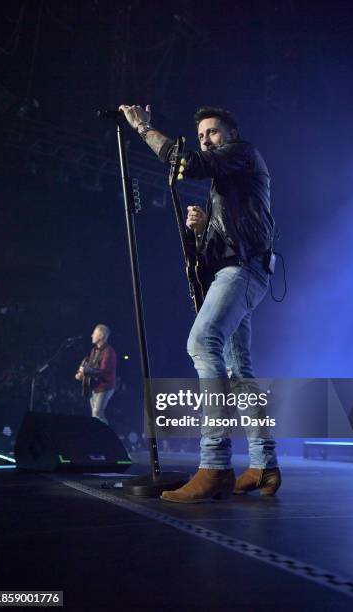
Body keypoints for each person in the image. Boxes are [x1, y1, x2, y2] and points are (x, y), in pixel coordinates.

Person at [119, 103, 281, 502]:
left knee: (201, 342)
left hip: (242, 271)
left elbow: (187, 163)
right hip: (238, 270)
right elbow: (206, 261)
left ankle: (214, 465)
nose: (206, 140)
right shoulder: (225, 188)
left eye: (213, 132)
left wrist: (143, 128)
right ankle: (264, 467)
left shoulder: (244, 154)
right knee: (240, 369)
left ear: (231, 133)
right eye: (202, 135)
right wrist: (202, 229)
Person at [75, 324, 116, 425]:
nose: (91, 335)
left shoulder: (109, 352)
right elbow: (90, 366)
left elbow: (102, 372)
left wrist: (86, 370)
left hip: (105, 387)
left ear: (101, 336)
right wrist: (81, 373)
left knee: (97, 413)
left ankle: (107, 436)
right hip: (95, 386)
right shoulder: (94, 350)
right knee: (96, 415)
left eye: (94, 333)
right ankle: (101, 435)